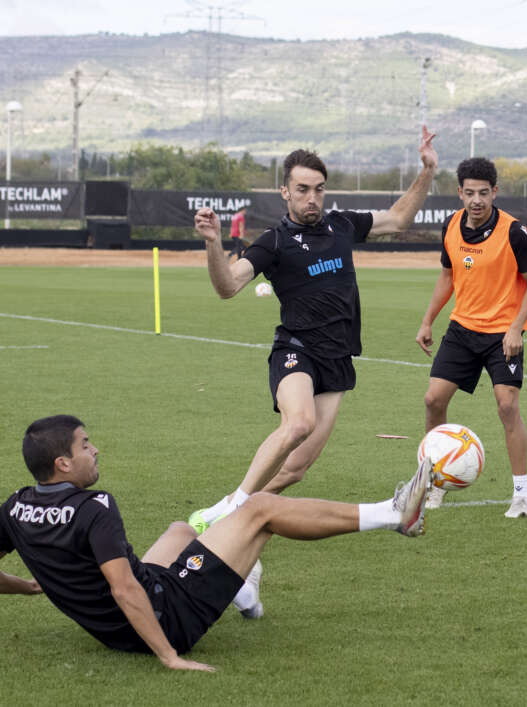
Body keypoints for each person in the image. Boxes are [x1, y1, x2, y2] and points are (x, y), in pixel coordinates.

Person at [0, 415, 434, 672]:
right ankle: (394, 515)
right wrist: (170, 656)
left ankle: (242, 592)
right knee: (260, 510)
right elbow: (126, 590)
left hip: (116, 624)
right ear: (63, 464)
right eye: (86, 445)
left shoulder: (15, 506)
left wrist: (30, 587)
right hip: (165, 616)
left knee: (180, 531)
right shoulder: (93, 507)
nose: (95, 449)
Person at [188, 126, 438, 530]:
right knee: (299, 423)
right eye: (302, 189)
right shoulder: (274, 241)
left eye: (319, 189)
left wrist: (426, 170)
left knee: (293, 470)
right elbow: (228, 286)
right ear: (285, 191)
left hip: (337, 360)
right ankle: (232, 505)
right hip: (295, 350)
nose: (312, 198)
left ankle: (232, 528)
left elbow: (399, 218)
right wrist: (213, 243)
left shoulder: (341, 225)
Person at [415, 157, 527, 517]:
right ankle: (435, 483)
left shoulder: (514, 232)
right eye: (469, 193)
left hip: (502, 333)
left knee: (507, 406)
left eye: (483, 193)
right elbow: (446, 277)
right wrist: (427, 321)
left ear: (495, 192)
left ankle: (521, 494)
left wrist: (517, 327)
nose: (476, 200)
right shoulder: (450, 226)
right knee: (433, 400)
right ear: (459, 192)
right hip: (461, 330)